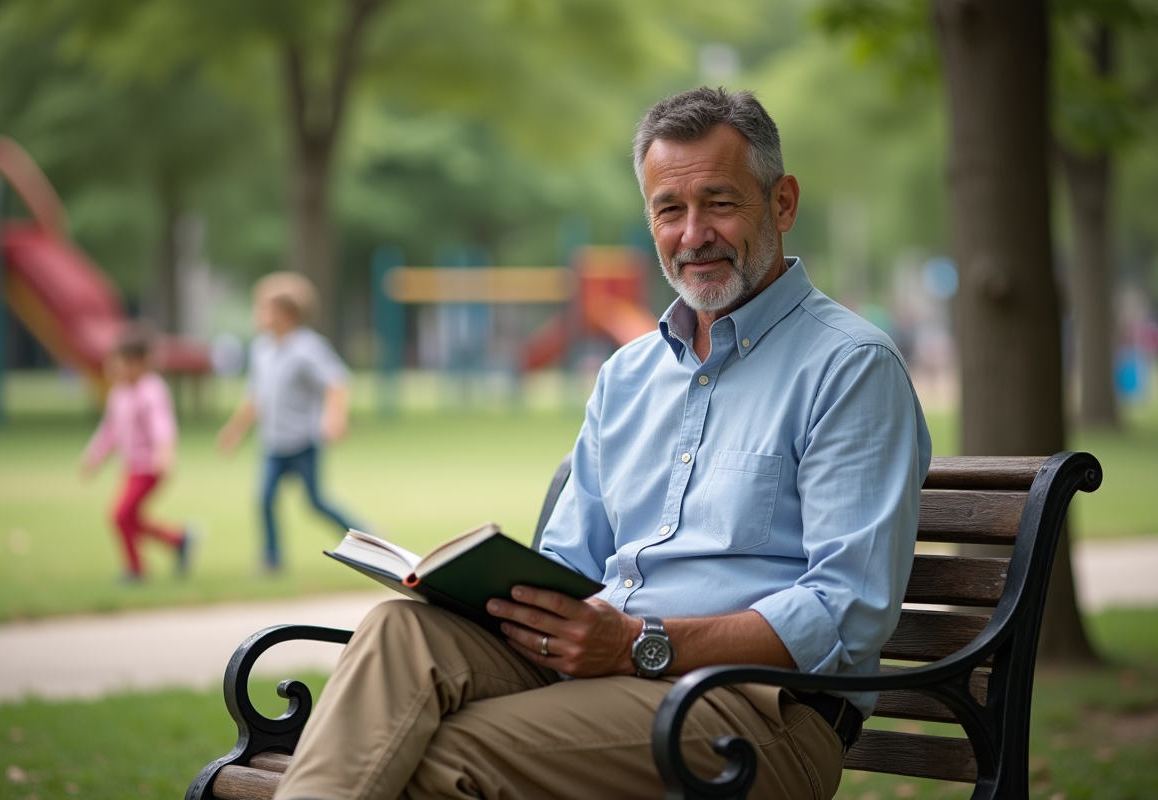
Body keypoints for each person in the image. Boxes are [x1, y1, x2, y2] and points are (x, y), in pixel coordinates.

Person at [273, 87, 932, 800]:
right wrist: (474, 589)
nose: (693, 234)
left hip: (755, 713)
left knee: (431, 754)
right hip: (599, 672)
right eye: (669, 210)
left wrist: (641, 643)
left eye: (719, 202)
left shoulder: (850, 367)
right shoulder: (627, 374)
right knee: (399, 631)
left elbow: (845, 610)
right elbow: (569, 562)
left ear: (782, 204)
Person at [217, 272, 358, 571]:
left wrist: (334, 418)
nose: (258, 314)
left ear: (288, 314)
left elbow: (337, 382)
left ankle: (366, 541)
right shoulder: (262, 349)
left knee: (316, 503)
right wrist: (234, 431)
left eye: (264, 307)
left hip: (303, 441)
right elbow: (255, 398)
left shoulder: (307, 347)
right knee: (264, 499)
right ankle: (272, 558)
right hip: (273, 442)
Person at [81, 323, 194, 581]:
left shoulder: (152, 391)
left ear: (138, 363)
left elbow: (163, 426)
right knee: (129, 518)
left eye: (117, 362)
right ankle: (178, 539)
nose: (111, 368)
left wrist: (166, 455)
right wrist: (94, 457)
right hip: (131, 467)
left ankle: (135, 569)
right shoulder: (119, 393)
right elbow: (110, 430)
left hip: (151, 467)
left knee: (120, 515)